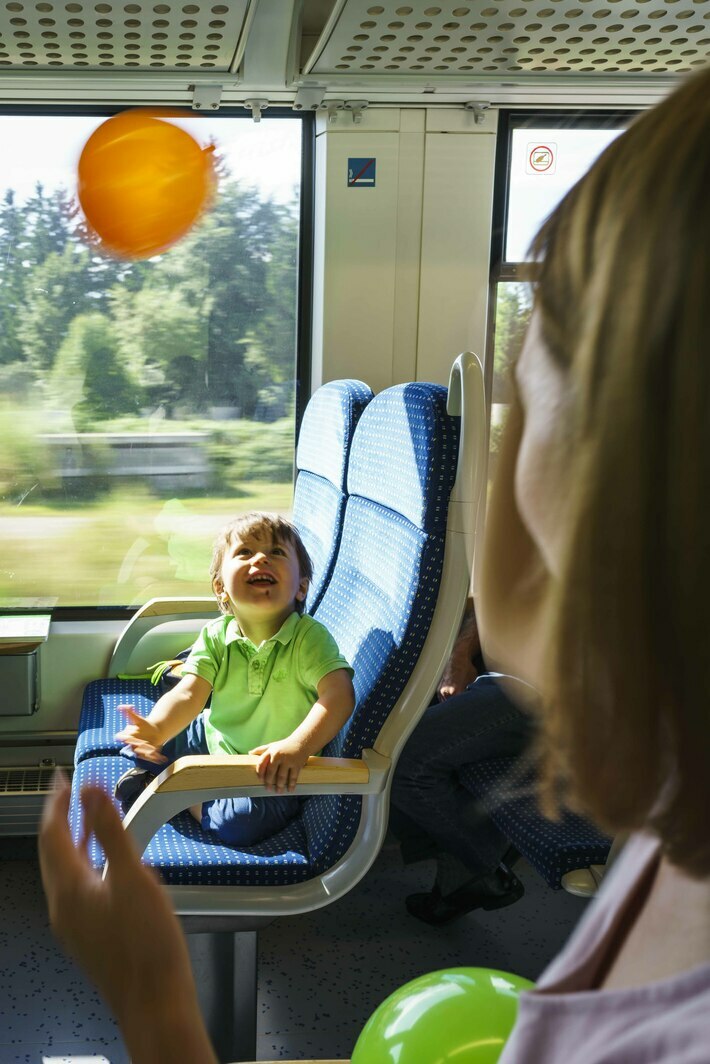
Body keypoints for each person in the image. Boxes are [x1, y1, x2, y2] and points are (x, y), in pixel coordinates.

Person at [40, 66, 710, 1063]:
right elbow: (208, 683)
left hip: (284, 790)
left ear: (633, 493)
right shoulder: (669, 855)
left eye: (525, 394)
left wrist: (152, 1002)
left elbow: (332, 697)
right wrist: (167, 719)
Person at [114, 511, 355, 846]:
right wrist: (155, 728)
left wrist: (298, 747)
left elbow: (339, 695)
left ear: (300, 587)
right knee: (136, 744)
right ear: (221, 588)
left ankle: (174, 792)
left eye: (277, 553)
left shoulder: (309, 639)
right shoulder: (216, 634)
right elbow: (188, 695)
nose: (260, 559)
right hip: (211, 740)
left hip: (269, 766)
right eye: (244, 552)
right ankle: (169, 773)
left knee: (239, 825)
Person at [389, 599, 533, 925]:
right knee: (386, 703)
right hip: (502, 667)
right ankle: (462, 868)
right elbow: (482, 600)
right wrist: (458, 656)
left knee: (401, 756)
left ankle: (484, 864)